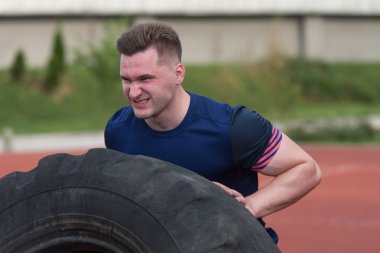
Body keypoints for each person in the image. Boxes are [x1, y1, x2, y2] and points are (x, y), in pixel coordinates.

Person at [104, 22, 321, 243]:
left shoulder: (234, 127)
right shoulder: (117, 131)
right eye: (126, 80)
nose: (133, 92)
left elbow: (306, 169)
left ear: (178, 73)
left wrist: (249, 207)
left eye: (145, 79)